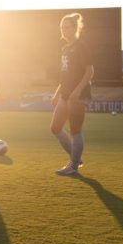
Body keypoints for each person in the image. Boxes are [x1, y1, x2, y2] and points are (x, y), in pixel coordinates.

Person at [50, 12, 94, 176]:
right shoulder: (65, 48)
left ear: (75, 28)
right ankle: (76, 158)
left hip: (78, 95)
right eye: (61, 27)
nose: (63, 30)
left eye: (66, 27)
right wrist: (57, 93)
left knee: (75, 130)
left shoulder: (81, 46)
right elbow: (65, 75)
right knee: (55, 128)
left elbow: (90, 72)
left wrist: (77, 91)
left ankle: (73, 166)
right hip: (65, 93)